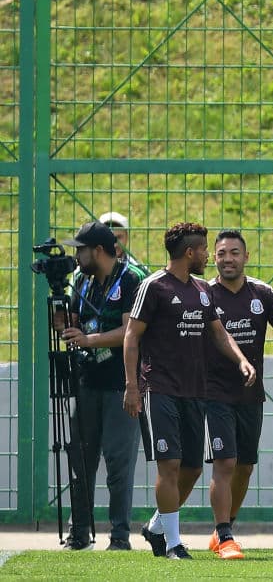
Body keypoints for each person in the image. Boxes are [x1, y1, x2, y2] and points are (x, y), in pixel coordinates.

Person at [122, 222, 256, 561]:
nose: (210, 255)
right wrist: (132, 386)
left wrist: (241, 360)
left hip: (196, 392)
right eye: (206, 250)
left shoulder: (201, 289)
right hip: (159, 389)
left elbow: (219, 333)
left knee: (193, 468)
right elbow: (131, 336)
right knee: (169, 465)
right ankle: (173, 543)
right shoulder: (153, 286)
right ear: (189, 252)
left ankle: (156, 526)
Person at [198, 230, 273, 559]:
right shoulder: (205, 293)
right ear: (215, 258)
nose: (227, 259)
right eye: (221, 254)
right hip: (214, 391)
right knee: (225, 462)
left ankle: (226, 527)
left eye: (234, 253)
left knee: (245, 466)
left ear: (246, 257)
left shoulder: (262, 293)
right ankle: (224, 537)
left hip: (251, 394)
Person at [57, 221, 148, 551]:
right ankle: (78, 533)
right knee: (80, 460)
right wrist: (62, 318)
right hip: (84, 383)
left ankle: (120, 536)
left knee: (117, 464)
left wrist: (89, 339)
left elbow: (130, 333)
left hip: (120, 385)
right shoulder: (80, 280)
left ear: (97, 251)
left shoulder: (132, 279)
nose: (76, 255)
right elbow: (73, 324)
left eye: (80, 249)